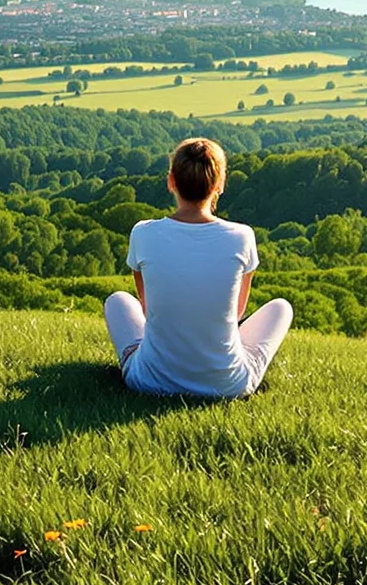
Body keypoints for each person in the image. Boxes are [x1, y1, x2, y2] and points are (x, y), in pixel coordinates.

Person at [104, 137, 293, 398]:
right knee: (282, 308)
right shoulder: (242, 236)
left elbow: (149, 309)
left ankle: (144, 361)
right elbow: (237, 313)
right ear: (220, 185)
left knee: (118, 301)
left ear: (171, 181)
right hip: (228, 385)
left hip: (149, 381)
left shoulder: (143, 233)